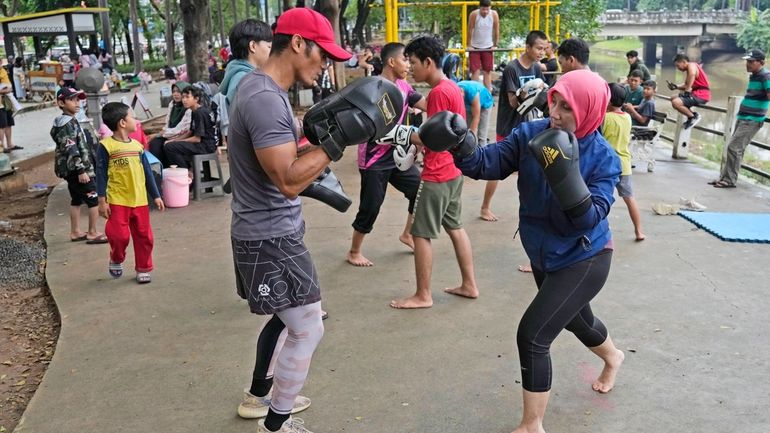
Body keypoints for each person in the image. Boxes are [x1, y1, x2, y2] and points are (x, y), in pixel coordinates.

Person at [450, 69, 624, 433]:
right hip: (545, 255)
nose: (555, 113)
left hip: (585, 257)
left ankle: (532, 426)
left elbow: (591, 216)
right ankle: (614, 357)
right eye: (554, 101)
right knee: (580, 322)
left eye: (567, 107)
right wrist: (458, 142)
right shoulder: (531, 134)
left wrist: (566, 176)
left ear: (590, 111)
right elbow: (486, 163)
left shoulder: (605, 159)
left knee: (533, 335)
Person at [226, 7, 354, 433]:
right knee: (307, 326)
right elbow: (287, 180)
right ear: (298, 43)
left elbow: (285, 159)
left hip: (268, 230)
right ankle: (276, 425)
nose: (328, 64)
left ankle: (261, 395)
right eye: (325, 54)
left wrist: (315, 134)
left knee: (288, 317)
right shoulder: (263, 97)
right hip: (269, 234)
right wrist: (339, 141)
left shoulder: (265, 89)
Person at [389, 35, 478, 309]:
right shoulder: (450, 87)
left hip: (438, 173)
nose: (411, 67)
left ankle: (422, 295)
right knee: (455, 226)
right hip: (454, 170)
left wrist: (402, 135)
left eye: (413, 62)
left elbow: (434, 138)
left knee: (420, 234)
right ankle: (469, 284)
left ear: (428, 62)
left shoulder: (440, 92)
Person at [346, 42, 425, 267]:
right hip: (374, 158)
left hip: (396, 156)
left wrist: (445, 90)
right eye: (405, 60)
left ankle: (407, 234)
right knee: (371, 206)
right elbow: (367, 125)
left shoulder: (404, 86)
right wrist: (411, 137)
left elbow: (426, 104)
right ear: (391, 61)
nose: (408, 65)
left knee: (419, 190)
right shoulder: (373, 87)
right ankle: (354, 251)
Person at [95, 102, 164, 283]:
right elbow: (100, 174)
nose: (136, 120)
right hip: (118, 200)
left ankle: (143, 267)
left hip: (140, 199)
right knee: (119, 236)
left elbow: (147, 172)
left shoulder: (137, 146)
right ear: (122, 123)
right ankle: (116, 258)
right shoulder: (106, 146)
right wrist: (102, 200)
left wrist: (156, 195)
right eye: (133, 117)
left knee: (144, 236)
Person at [50, 87, 107, 244]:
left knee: (76, 199)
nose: (77, 103)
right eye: (72, 100)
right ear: (61, 103)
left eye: (78, 99)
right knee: (93, 199)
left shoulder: (67, 121)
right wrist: (81, 169)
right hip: (77, 169)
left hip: (71, 169)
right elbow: (71, 148)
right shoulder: (66, 124)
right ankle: (93, 232)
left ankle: (75, 231)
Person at [709, 49, 770, 189]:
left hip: (752, 119)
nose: (747, 64)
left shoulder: (765, 76)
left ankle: (729, 180)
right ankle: (725, 177)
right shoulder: (754, 75)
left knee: (734, 147)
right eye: (747, 61)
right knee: (735, 148)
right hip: (743, 116)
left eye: (751, 62)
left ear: (761, 62)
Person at [604, 83, 645, 241]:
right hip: (625, 164)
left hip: (607, 165)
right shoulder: (627, 117)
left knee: (602, 198)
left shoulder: (605, 117)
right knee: (629, 198)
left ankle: (601, 233)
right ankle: (639, 231)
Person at [457, 79, 498, 221]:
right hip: (470, 106)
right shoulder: (455, 91)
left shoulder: (472, 93)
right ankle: (468, 156)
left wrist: (471, 137)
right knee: (464, 129)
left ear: (463, 93)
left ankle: (480, 159)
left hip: (485, 105)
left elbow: (477, 116)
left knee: (480, 136)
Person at [496, 30, 547, 142]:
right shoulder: (512, 68)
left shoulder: (536, 68)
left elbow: (542, 94)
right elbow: (513, 102)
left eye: (544, 49)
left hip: (527, 127)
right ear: (528, 47)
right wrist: (526, 89)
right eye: (539, 48)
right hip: (508, 127)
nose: (542, 53)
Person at [219, 19, 273, 111]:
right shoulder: (247, 80)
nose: (271, 51)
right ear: (253, 46)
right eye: (269, 47)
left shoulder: (237, 75)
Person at [160, 86, 217, 170]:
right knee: (170, 144)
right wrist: (174, 140)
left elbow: (197, 139)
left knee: (170, 147)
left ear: (196, 99)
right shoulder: (194, 111)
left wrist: (177, 141)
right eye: (183, 97)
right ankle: (188, 169)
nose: (184, 100)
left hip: (206, 146)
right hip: (203, 144)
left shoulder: (199, 113)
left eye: (187, 97)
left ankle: (187, 172)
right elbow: (190, 132)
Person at [148, 82, 192, 159]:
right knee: (155, 143)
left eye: (179, 91)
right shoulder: (172, 104)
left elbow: (180, 130)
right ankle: (160, 169)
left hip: (182, 136)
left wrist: (159, 134)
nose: (175, 94)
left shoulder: (189, 108)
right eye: (174, 91)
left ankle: (181, 168)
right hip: (169, 134)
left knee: (167, 145)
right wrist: (161, 134)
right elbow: (167, 123)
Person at [669, 53, 710, 129]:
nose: (678, 68)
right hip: (695, 93)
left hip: (701, 95)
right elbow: (686, 85)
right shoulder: (689, 71)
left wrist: (687, 90)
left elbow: (692, 75)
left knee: (676, 102)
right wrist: (675, 87)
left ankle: (693, 117)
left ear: (684, 62)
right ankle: (692, 114)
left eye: (678, 66)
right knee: (673, 97)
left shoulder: (692, 65)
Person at [467, 0, 499, 91]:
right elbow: (470, 30)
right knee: (475, 71)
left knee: (487, 71)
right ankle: (474, 94)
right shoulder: (474, 14)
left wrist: (495, 44)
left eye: (487, 9)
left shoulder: (494, 14)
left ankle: (488, 93)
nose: (485, 12)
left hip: (488, 46)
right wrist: (469, 45)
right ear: (479, 8)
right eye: (483, 9)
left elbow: (496, 30)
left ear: (490, 8)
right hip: (475, 46)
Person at [0, 63, 19, 154]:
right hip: (0, 102)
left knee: (8, 123)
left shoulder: (3, 70)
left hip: (7, 100)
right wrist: (3, 90)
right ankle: (2, 146)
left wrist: (8, 89)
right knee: (2, 125)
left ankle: (9, 143)